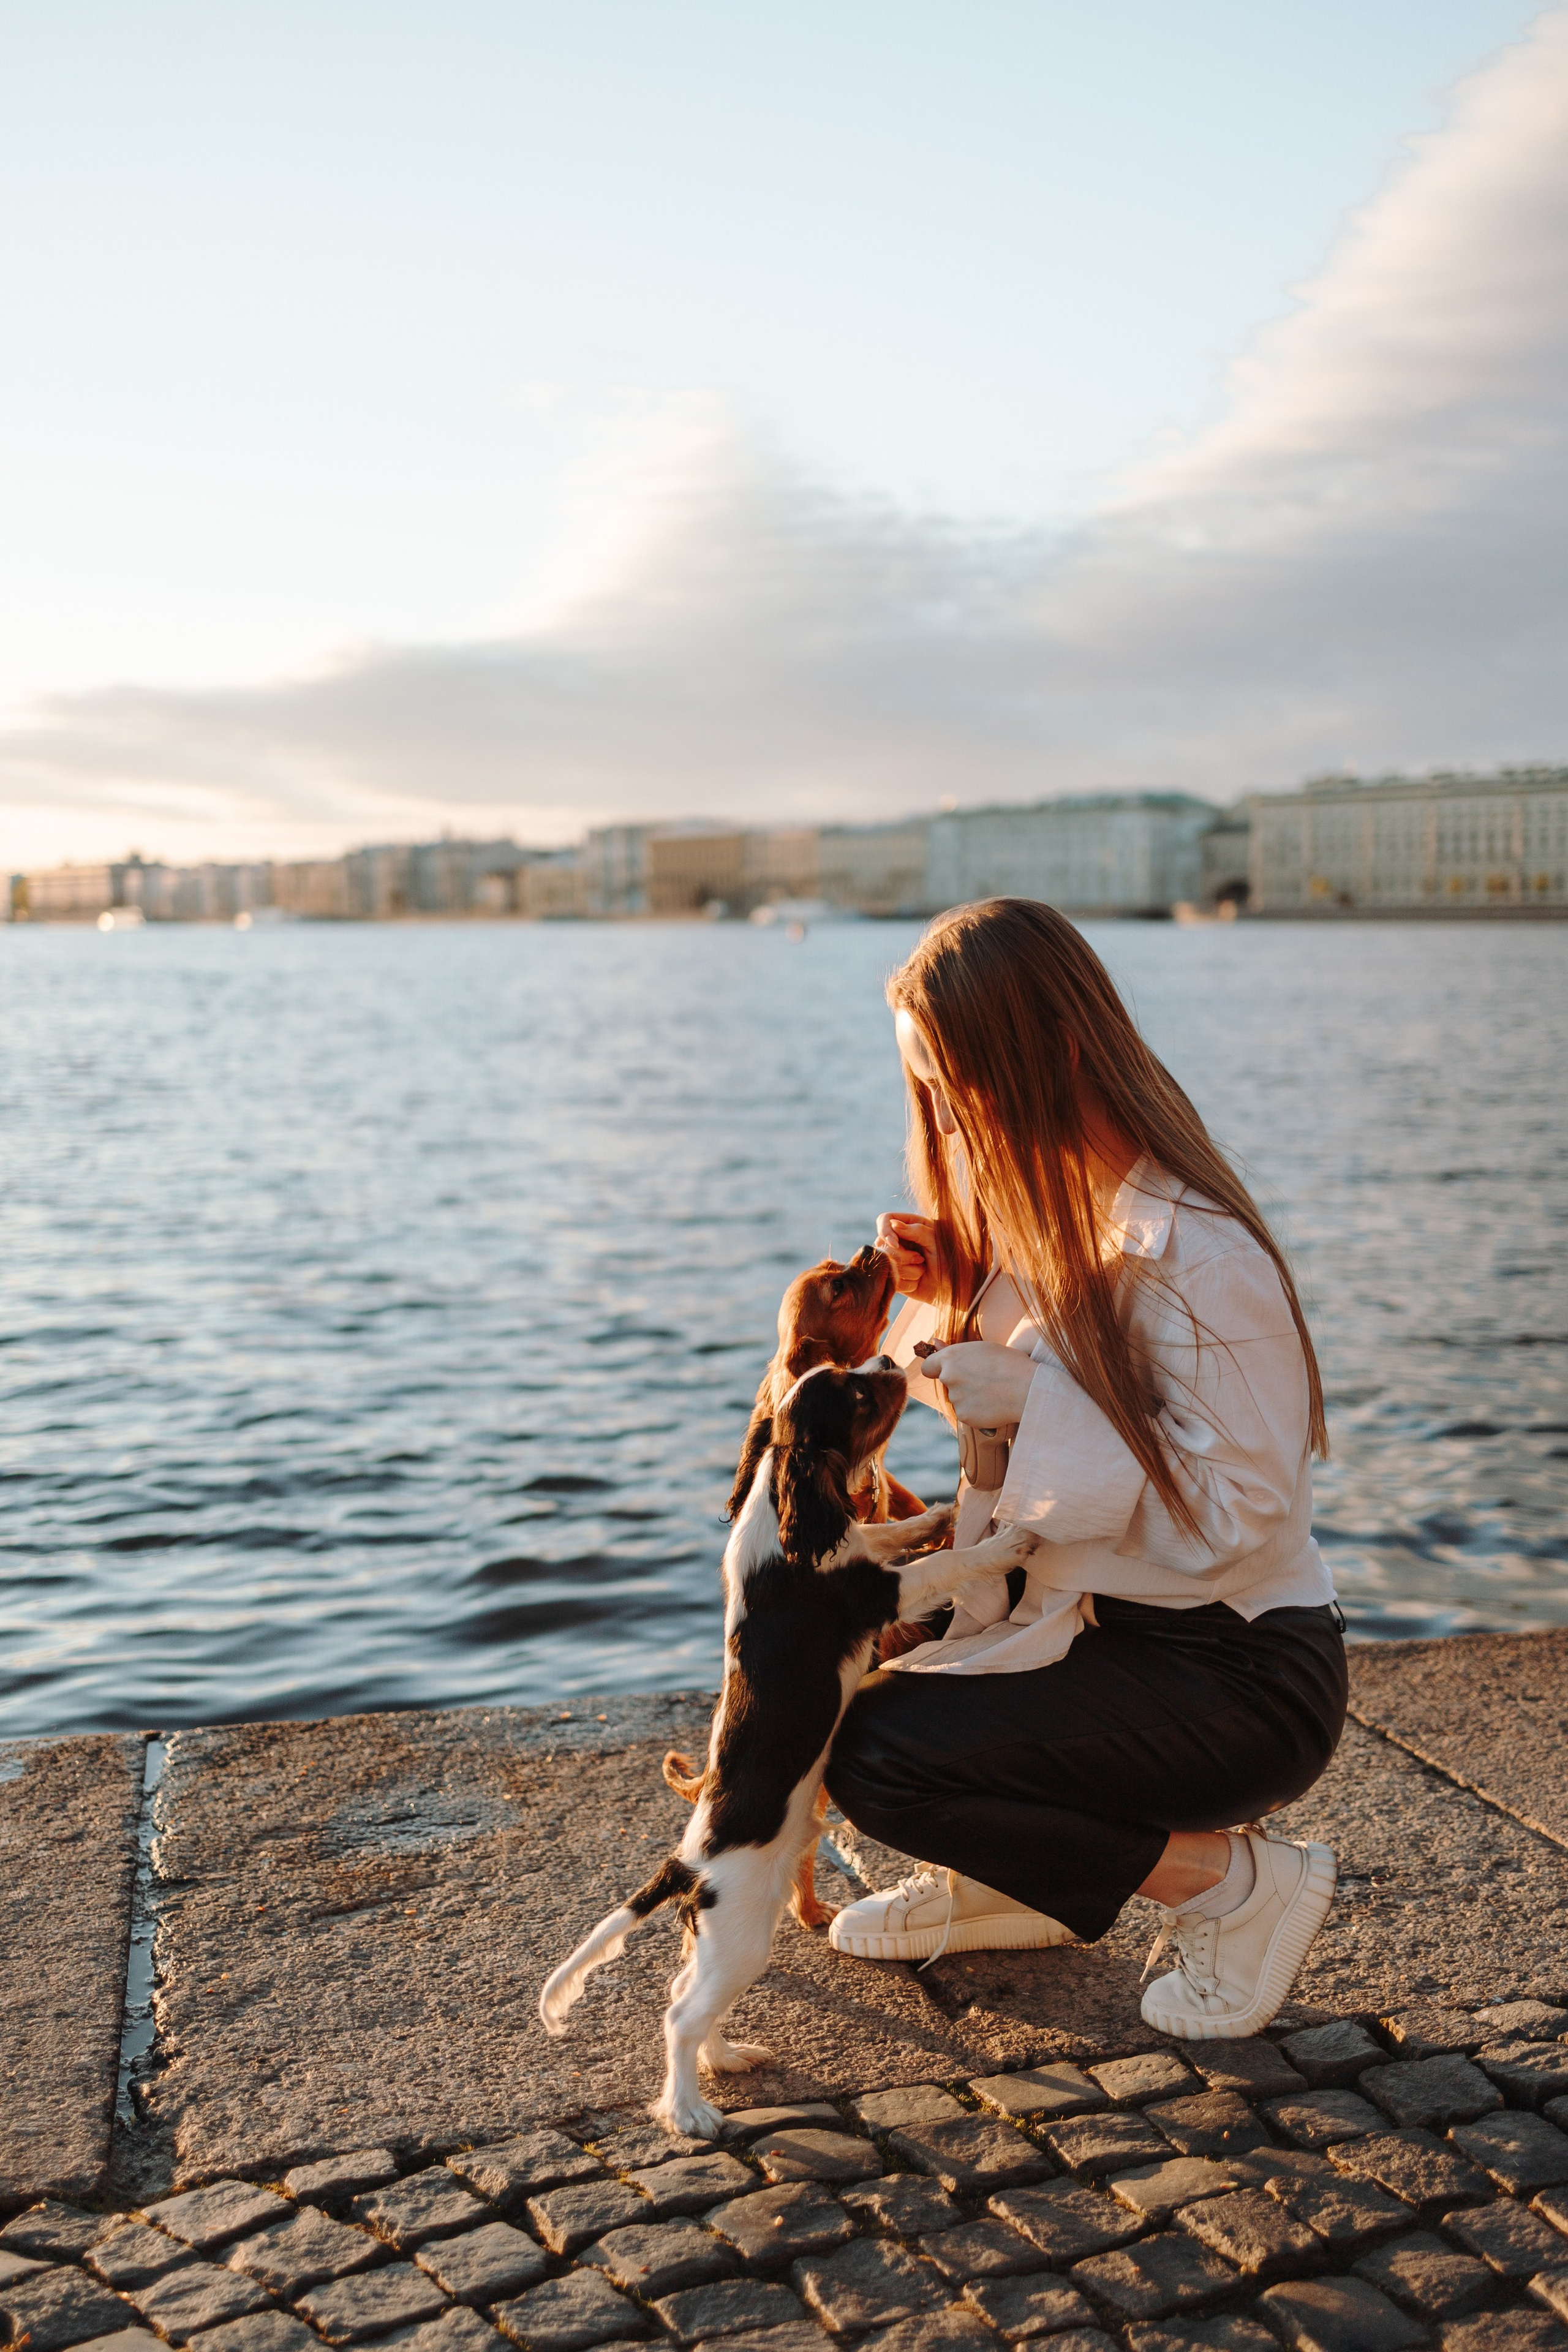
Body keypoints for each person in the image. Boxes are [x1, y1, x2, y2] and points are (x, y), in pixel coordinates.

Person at [824, 897, 1347, 2039]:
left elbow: (1242, 1518)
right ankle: (1014, 1884)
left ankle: (1235, 1887)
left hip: (1243, 1673)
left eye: (957, 1090)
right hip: (1101, 1634)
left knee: (879, 1756)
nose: (950, 1124)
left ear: (1050, 1050)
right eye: (931, 1096)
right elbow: (1004, 1442)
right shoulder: (1053, 1230)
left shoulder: (1197, 1251)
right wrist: (957, 1298)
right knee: (838, 1710)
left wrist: (1034, 1398)